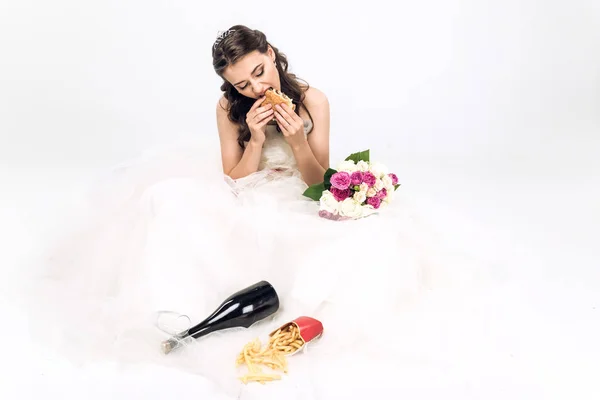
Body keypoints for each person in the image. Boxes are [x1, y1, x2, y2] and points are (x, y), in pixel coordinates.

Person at [27, 25, 489, 397]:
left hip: (295, 193)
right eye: (242, 83)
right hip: (247, 191)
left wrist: (296, 140)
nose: (256, 87)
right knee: (166, 198)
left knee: (359, 240)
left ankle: (292, 317)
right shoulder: (229, 109)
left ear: (271, 53)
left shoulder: (313, 100)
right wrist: (250, 136)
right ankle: (187, 312)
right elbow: (234, 178)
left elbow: (317, 182)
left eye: (260, 72)